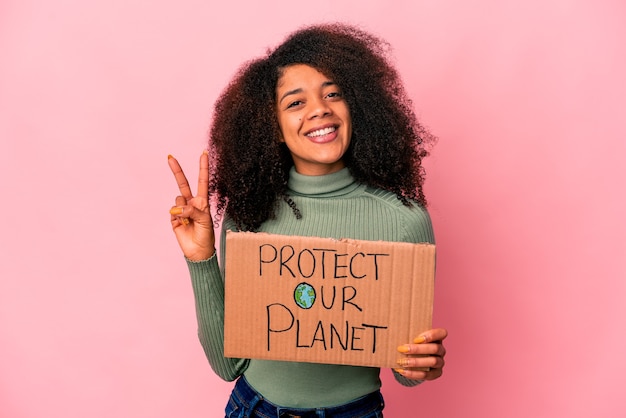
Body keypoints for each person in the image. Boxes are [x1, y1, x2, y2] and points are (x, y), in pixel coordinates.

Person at [168, 23, 448, 418]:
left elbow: (406, 373)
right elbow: (227, 366)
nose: (320, 108)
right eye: (295, 103)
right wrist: (201, 258)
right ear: (275, 129)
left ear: (358, 107)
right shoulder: (249, 213)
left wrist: (423, 363)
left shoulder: (404, 221)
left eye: (333, 93)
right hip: (253, 408)